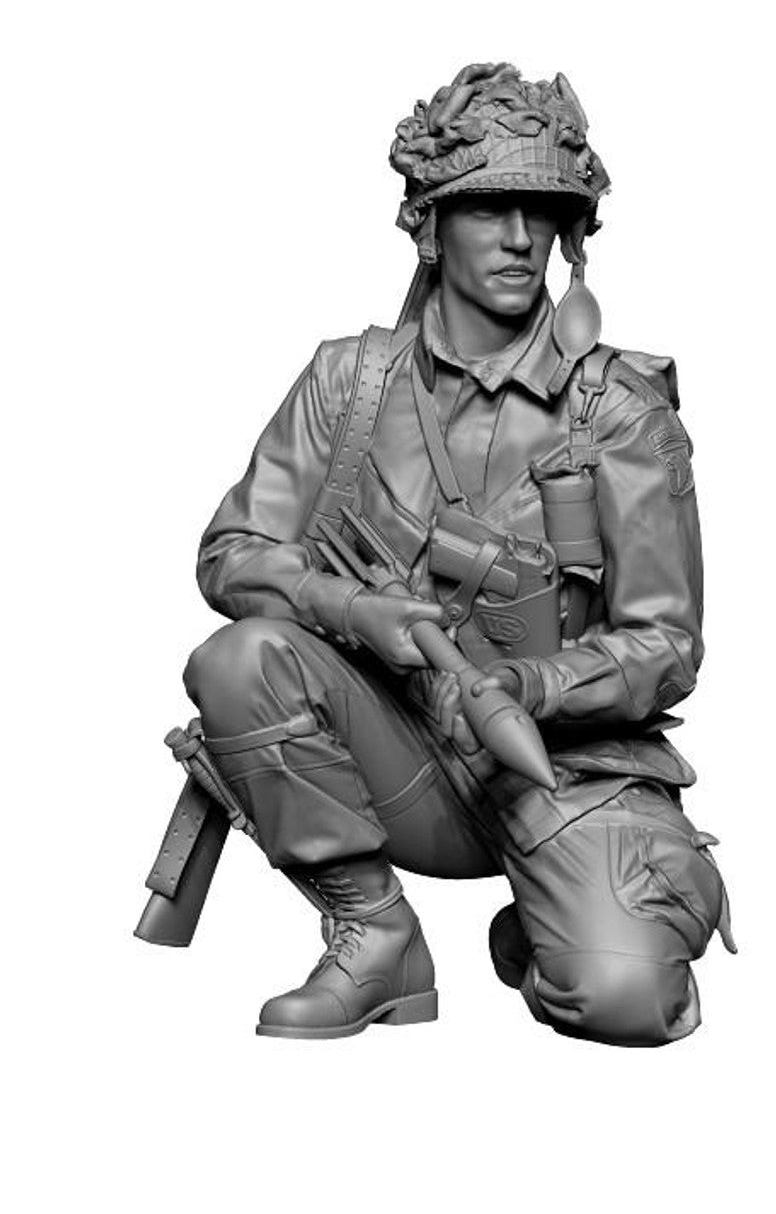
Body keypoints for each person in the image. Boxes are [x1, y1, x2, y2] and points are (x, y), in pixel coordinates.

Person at [179, 62, 735, 1046]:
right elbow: (231, 553)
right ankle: (375, 933)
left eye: (540, 211)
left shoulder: (621, 413)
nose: (519, 237)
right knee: (239, 661)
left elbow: (666, 644)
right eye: (487, 208)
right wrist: (353, 611)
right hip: (387, 747)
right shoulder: (348, 385)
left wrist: (527, 684)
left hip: (564, 771)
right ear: (431, 224)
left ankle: (556, 925)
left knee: (625, 1000)